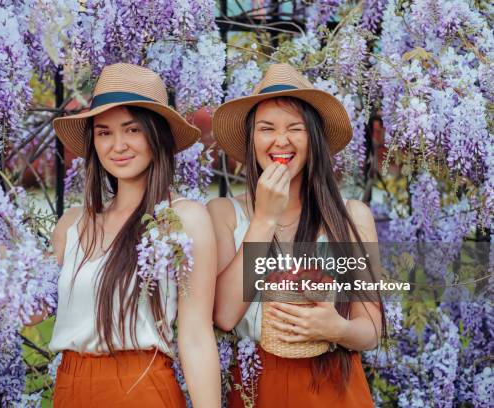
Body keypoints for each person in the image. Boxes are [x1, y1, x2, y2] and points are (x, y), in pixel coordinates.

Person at [30, 63, 220, 407]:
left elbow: (195, 336)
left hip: (140, 387)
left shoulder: (182, 218)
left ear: (156, 135)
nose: (118, 145)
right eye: (104, 133)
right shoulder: (73, 224)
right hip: (70, 388)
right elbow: (29, 312)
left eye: (132, 130)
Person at [208, 63, 385, 407]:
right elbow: (225, 315)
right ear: (252, 139)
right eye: (266, 128)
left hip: (335, 383)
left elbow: (372, 330)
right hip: (257, 384)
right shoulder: (223, 214)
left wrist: (337, 329)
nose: (281, 140)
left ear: (313, 138)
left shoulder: (350, 217)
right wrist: (264, 219)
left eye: (295, 128)